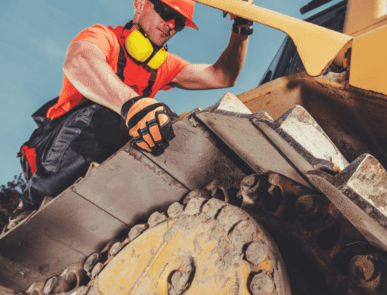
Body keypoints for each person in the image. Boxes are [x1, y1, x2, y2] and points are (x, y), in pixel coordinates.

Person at [6, 0, 253, 231]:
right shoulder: (105, 37)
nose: (171, 26)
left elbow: (222, 76)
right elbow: (79, 60)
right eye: (166, 13)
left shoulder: (162, 65)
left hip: (106, 152)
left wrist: (242, 27)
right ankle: (29, 205)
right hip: (57, 149)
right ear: (140, 4)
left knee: (166, 121)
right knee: (108, 117)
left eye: (178, 23)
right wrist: (131, 105)